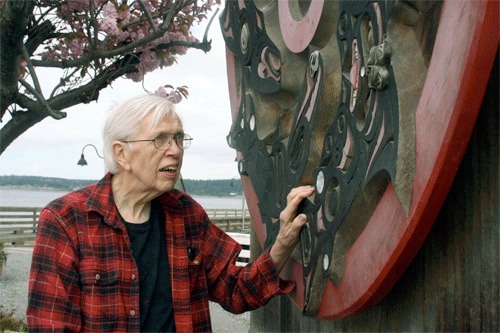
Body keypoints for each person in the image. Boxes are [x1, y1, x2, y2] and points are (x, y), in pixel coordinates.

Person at [26, 94, 315, 332]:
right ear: (121, 153)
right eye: (160, 140)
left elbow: (236, 290)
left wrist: (283, 242)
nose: (175, 151)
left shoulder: (187, 214)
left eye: (178, 138)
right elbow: (51, 325)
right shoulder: (66, 220)